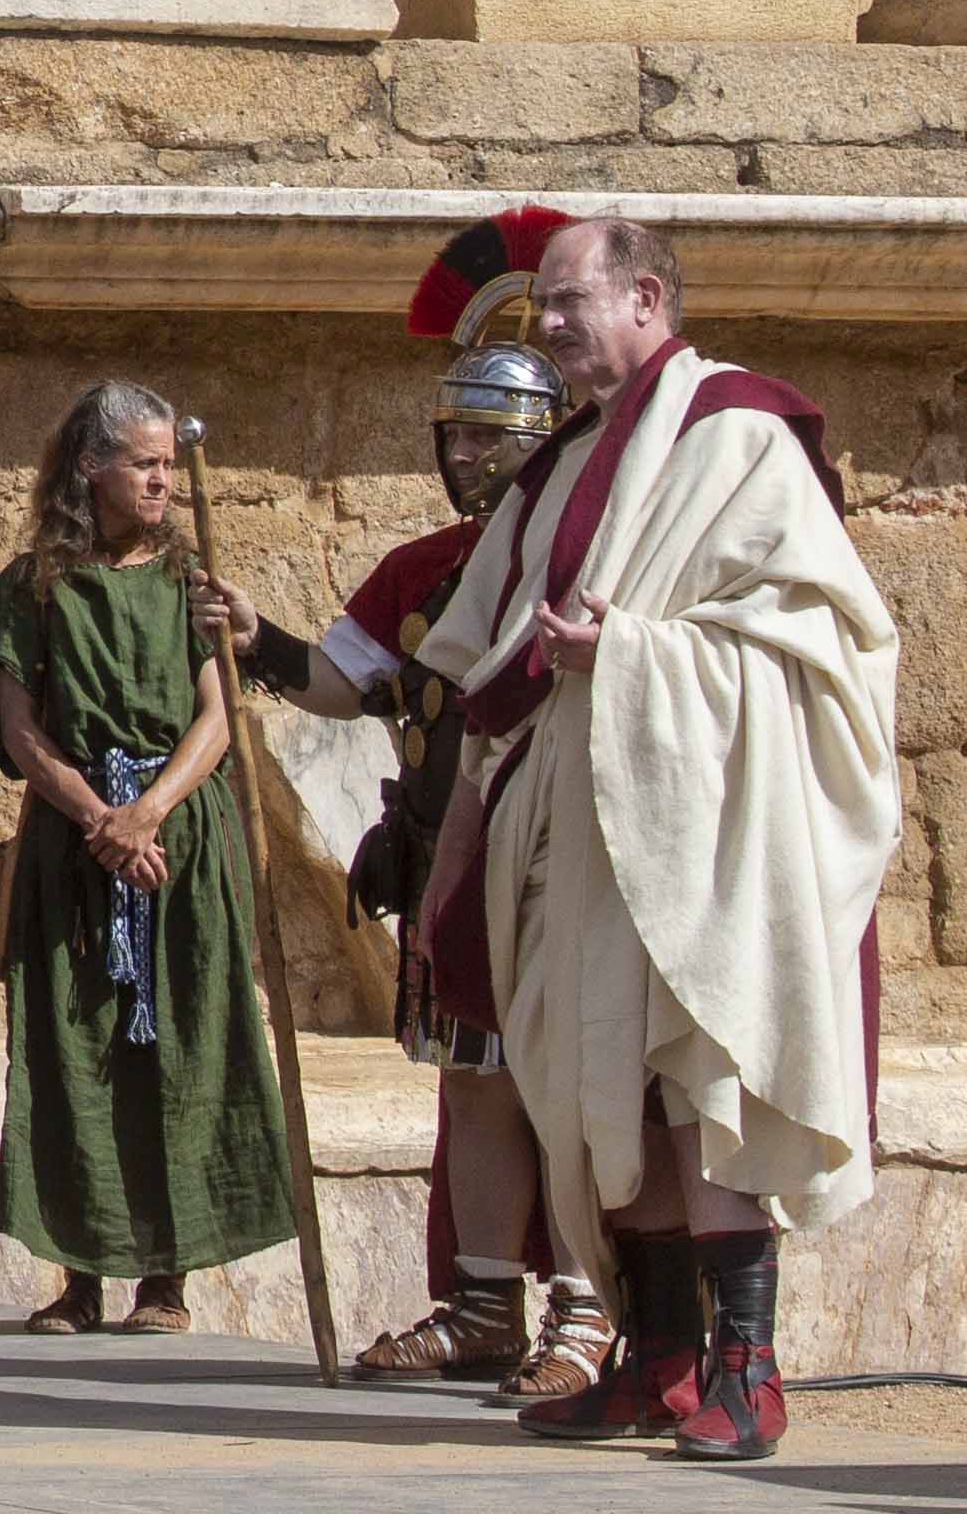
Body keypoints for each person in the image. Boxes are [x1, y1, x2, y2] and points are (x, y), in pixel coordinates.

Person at [419, 215, 897, 1464]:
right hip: (573, 828)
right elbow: (488, 671)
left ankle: (749, 1372)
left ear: (646, 299)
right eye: (544, 309)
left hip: (701, 827)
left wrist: (629, 653)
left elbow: (826, 638)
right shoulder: (561, 464)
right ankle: (660, 1359)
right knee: (600, 1088)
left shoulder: (738, 435)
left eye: (571, 302)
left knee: (701, 1088)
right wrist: (458, 850)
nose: (552, 326)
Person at [222, 226, 595, 1399]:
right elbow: (344, 681)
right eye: (456, 431)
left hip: (563, 862)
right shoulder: (422, 564)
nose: (465, 453)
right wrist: (256, 640)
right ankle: (486, 1302)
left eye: (489, 433)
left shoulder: (587, 550)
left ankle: (586, 1312)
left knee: (570, 1087)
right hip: (451, 859)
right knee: (477, 1080)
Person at [0, 381, 296, 1336]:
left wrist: (148, 811)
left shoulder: (194, 578)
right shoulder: (34, 584)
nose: (161, 480)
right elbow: (20, 732)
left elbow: (221, 711)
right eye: (143, 463)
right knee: (74, 1051)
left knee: (180, 1046)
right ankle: (78, 1274)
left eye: (165, 462)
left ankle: (166, 1278)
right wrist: (98, 816)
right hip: (75, 845)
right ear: (90, 468)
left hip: (178, 840)